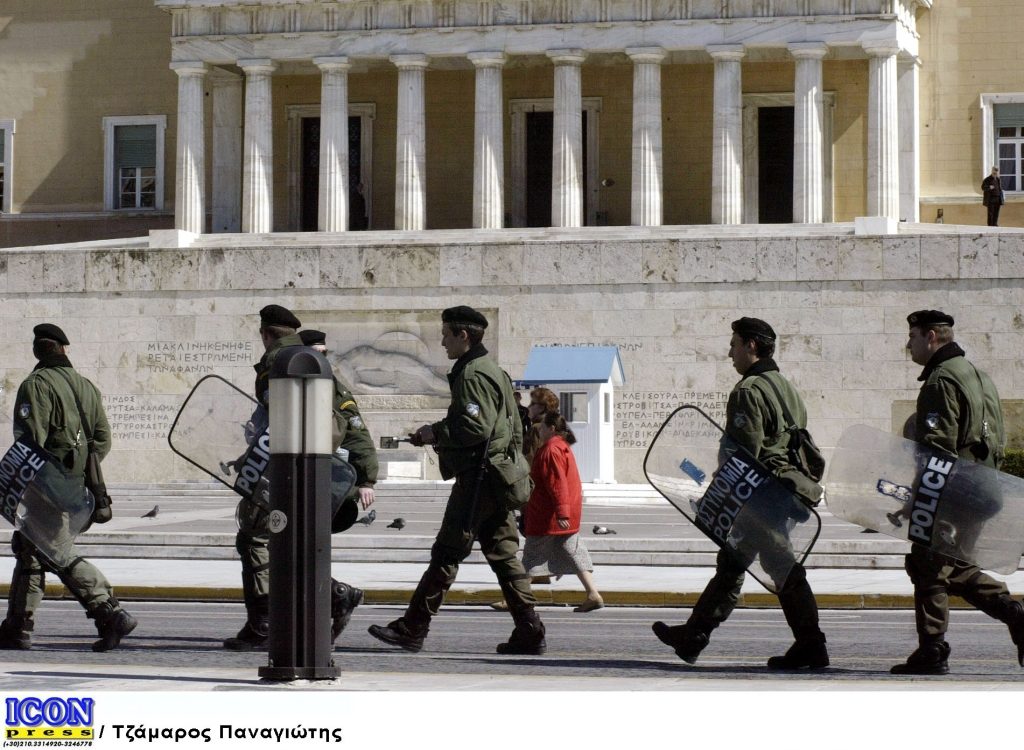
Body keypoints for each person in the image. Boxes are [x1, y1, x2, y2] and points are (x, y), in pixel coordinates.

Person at [652, 317, 829, 669]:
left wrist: (715, 496)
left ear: (751, 345)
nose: (729, 353)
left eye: (733, 344)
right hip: (781, 489)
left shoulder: (748, 390)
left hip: (760, 494)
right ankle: (693, 636)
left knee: (781, 565)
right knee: (732, 564)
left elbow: (743, 453)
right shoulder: (785, 386)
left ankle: (812, 643)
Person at [368, 305, 546, 655]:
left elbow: (475, 427)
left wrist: (434, 432)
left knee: (447, 552)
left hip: (479, 479)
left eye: (447, 333)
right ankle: (530, 629)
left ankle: (413, 626)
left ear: (464, 336)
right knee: (504, 554)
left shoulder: (472, 373)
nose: (442, 340)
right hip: (498, 477)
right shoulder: (494, 371)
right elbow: (510, 427)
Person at [224, 307, 378, 651]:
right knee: (283, 540)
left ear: (265, 333)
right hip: (306, 470)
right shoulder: (311, 361)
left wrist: (257, 462)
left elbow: (280, 424)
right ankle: (326, 599)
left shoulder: (279, 362)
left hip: (285, 470)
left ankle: (271, 618)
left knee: (256, 538)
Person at [890, 310, 1024, 675]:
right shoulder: (978, 376)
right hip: (983, 488)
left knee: (928, 564)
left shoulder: (940, 380)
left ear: (932, 336)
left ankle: (933, 649)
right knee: (953, 567)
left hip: (953, 491)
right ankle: (1009, 616)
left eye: (913, 336)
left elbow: (937, 450)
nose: (909, 345)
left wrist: (917, 498)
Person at [0, 324, 137, 652]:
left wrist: (41, 481)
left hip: (46, 486)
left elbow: (30, 441)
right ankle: (17, 626)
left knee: (56, 550)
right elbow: (102, 440)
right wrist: (77, 469)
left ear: (39, 350)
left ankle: (109, 611)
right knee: (30, 547)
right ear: (63, 349)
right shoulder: (87, 387)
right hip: (78, 487)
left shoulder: (37, 384)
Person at [521, 412, 603, 613]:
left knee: (531, 556)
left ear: (551, 428)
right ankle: (593, 594)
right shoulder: (562, 447)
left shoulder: (550, 450)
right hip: (562, 515)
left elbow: (557, 484)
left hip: (548, 515)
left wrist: (561, 513)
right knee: (575, 553)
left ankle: (516, 599)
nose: (539, 431)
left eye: (542, 428)